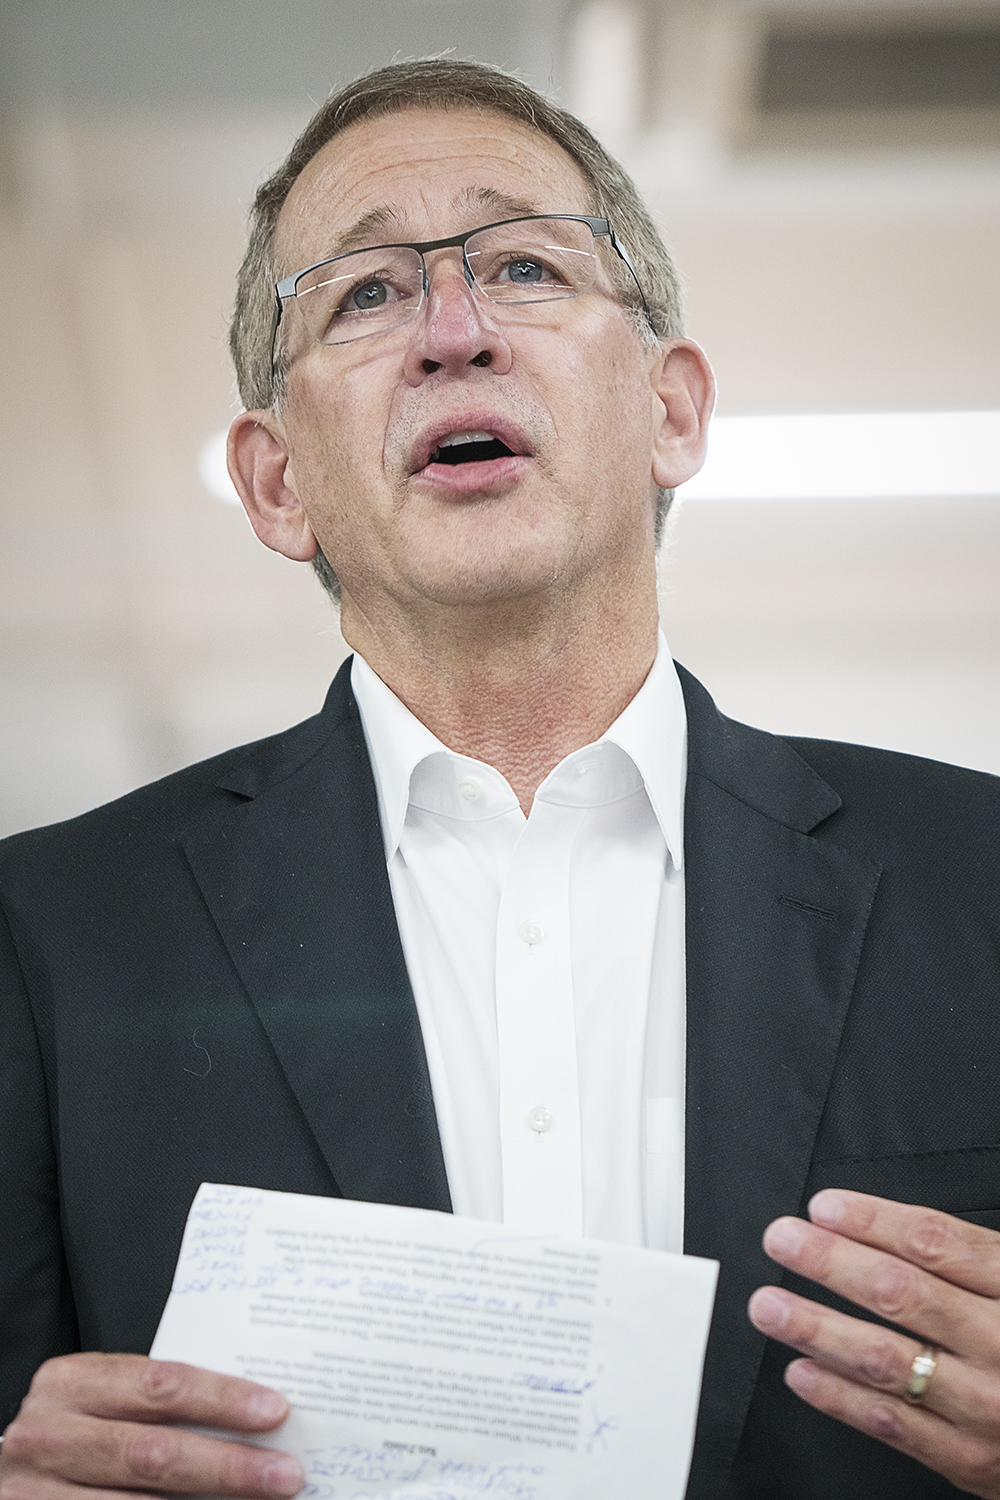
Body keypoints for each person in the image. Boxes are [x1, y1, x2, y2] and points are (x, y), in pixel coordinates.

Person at [2, 57, 1000, 1500]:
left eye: (525, 266)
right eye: (363, 294)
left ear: (671, 410)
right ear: (278, 484)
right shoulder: (52, 932)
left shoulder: (981, 875)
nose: (452, 333)